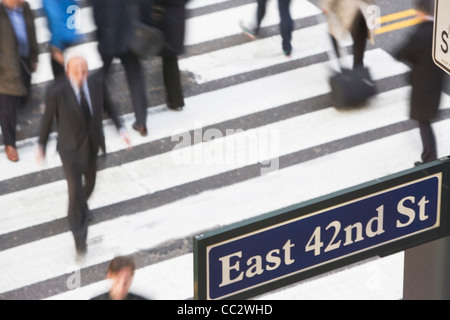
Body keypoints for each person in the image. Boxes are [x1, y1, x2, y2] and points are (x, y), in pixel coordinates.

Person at [36, 56, 131, 256]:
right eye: (76, 72)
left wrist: (121, 128)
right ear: (68, 72)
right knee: (75, 190)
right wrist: (41, 145)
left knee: (90, 184)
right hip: (69, 150)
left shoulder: (96, 84)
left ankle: (76, 208)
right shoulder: (58, 92)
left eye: (84, 71)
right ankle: (80, 237)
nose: (81, 76)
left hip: (92, 145)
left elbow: (109, 106)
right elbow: (47, 120)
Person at [395, 0, 445, 166]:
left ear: (419, 12)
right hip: (437, 81)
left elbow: (401, 53)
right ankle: (429, 156)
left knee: (423, 121)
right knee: (426, 120)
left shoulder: (419, 33)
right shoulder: (439, 30)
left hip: (422, 84)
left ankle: (429, 158)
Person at [91, 0, 150, 136]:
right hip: (130, 35)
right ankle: (141, 122)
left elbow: (96, 14)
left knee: (103, 76)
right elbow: (145, 5)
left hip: (108, 38)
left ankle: (100, 108)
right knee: (136, 78)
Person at [0, 0, 38, 162]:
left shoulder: (25, 8)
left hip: (23, 61)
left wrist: (34, 56)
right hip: (5, 69)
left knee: (24, 94)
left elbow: (32, 33)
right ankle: (10, 144)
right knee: (7, 109)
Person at [141, 0, 188, 111]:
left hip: (164, 18)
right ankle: (176, 100)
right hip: (178, 16)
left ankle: (175, 100)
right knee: (171, 59)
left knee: (169, 59)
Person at [321, 0, 374, 69]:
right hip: (359, 8)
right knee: (359, 39)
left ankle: (347, 65)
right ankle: (357, 67)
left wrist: (326, 5)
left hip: (348, 8)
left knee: (334, 31)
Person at [42, 0, 81, 79]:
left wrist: (56, 45)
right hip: (70, 33)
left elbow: (55, 17)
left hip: (60, 39)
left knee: (63, 76)